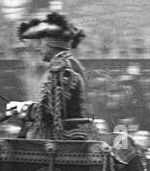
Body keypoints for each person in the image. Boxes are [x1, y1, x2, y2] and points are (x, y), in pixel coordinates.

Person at [5, 12, 92, 140]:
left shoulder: (62, 67)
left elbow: (50, 111)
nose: (37, 48)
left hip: (67, 137)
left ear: (50, 43)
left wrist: (22, 108)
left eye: (40, 43)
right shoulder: (67, 63)